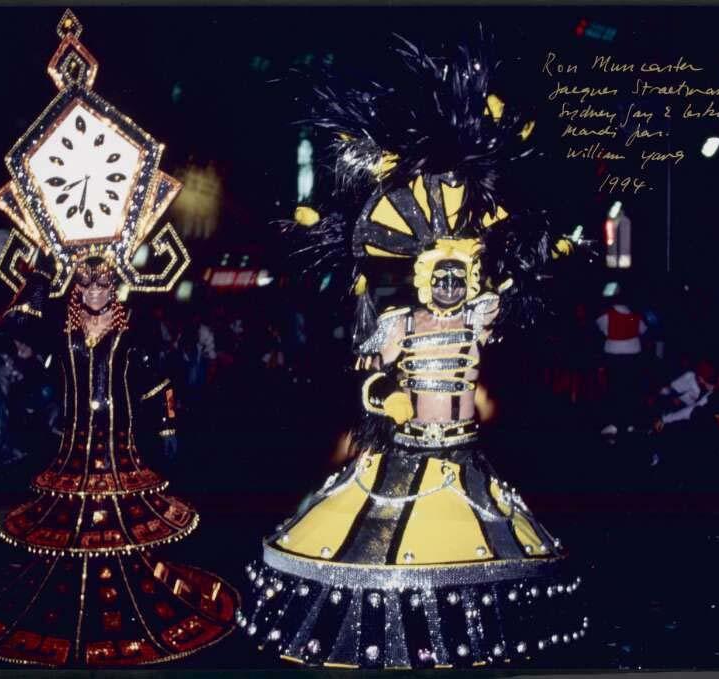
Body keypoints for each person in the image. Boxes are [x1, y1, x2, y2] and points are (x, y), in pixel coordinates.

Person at [238, 37, 587, 668]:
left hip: (464, 453)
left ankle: (453, 642)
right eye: (442, 276)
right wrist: (380, 370)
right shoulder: (401, 321)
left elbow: (507, 318)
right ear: (423, 274)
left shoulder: (480, 313)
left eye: (461, 276)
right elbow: (372, 363)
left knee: (471, 549)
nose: (452, 286)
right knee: (388, 549)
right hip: (409, 449)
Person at [0, 14, 237, 667]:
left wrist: (163, 413)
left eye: (108, 280)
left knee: (127, 527)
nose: (100, 288)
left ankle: (133, 587)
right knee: (67, 530)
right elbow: (28, 307)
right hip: (75, 441)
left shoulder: (133, 327)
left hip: (121, 442)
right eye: (90, 280)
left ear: (118, 282)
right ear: (79, 285)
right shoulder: (64, 320)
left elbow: (157, 367)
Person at [596, 289, 647, 436]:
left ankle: (614, 424)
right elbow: (642, 330)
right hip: (633, 356)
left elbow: (603, 330)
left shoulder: (607, 314)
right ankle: (630, 423)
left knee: (615, 389)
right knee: (631, 389)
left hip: (615, 356)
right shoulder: (634, 315)